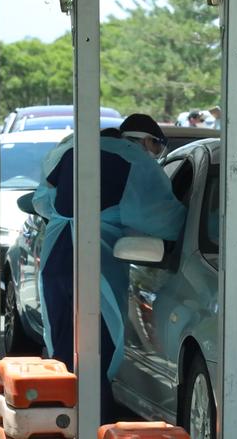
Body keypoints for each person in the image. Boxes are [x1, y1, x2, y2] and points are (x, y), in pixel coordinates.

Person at [32, 113, 186, 422]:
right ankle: (90, 427)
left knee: (62, 356)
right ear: (146, 141)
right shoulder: (135, 161)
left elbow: (42, 202)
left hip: (55, 260)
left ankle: (53, 425)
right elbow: (167, 220)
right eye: (156, 149)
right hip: (93, 269)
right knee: (92, 361)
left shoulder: (71, 147)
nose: (154, 157)